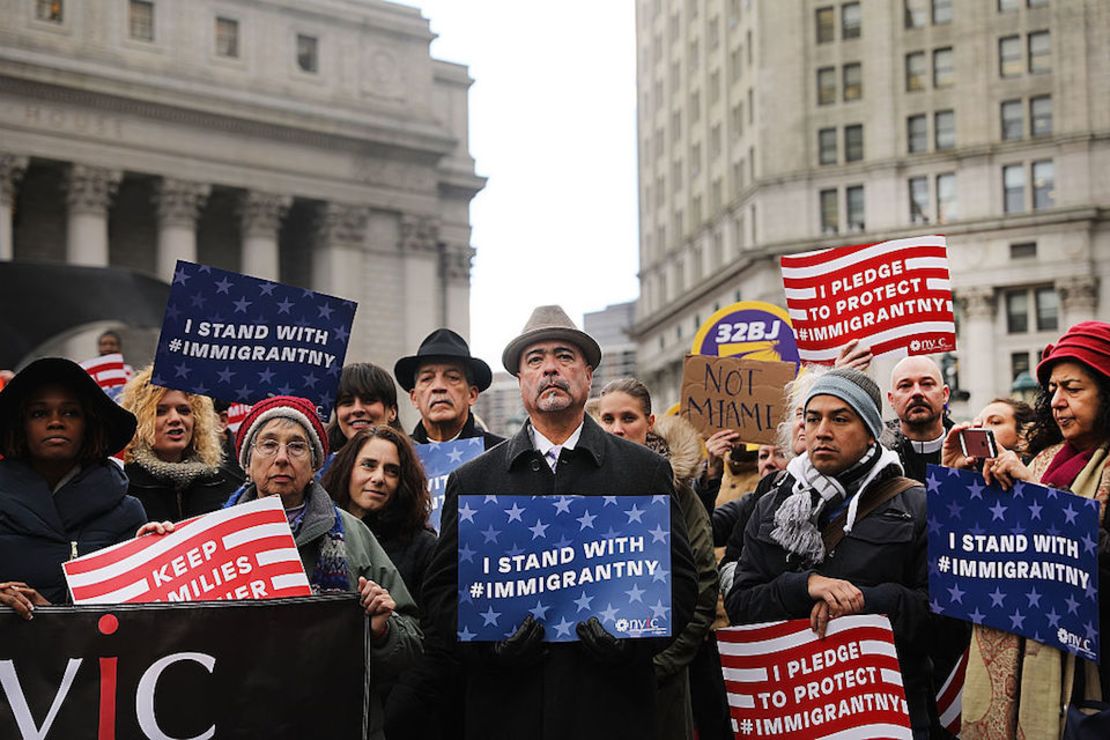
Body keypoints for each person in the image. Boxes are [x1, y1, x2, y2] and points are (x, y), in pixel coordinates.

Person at [405, 305, 698, 740]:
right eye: (535, 360)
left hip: (611, 706)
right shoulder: (474, 480)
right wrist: (489, 647)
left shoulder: (644, 471)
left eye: (564, 356)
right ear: (521, 379)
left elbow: (681, 581)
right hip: (508, 707)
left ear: (588, 374)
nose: (550, 369)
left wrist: (633, 645)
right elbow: (442, 593)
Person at [726, 367, 939, 736]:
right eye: (812, 418)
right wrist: (803, 586)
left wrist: (864, 603)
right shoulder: (772, 504)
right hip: (792, 712)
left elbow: (940, 620)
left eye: (840, 419)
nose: (821, 431)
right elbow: (741, 605)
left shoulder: (916, 503)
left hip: (885, 714)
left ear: (872, 433)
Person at [223, 395, 423, 740]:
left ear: (315, 463)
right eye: (269, 444)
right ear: (247, 460)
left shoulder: (354, 535)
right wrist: (157, 548)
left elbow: (412, 643)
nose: (282, 458)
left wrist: (381, 630)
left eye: (297, 447)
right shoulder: (213, 539)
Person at [946, 322, 1110, 739]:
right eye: (1053, 389)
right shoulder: (1042, 458)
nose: (1057, 402)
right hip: (1013, 660)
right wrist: (958, 485)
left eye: (1073, 389)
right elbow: (978, 558)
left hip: (1088, 674)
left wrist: (1038, 497)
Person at [597, 378, 725, 740]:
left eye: (628, 418)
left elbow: (702, 585)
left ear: (649, 423)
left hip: (660, 680)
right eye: (608, 419)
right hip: (595, 683)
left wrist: (659, 664)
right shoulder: (580, 491)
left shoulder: (678, 491)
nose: (618, 429)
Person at [0, 357, 146, 617]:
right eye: (39, 413)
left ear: (89, 425)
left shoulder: (127, 514)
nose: (55, 422)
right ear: (20, 427)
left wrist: (160, 550)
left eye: (70, 412)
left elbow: (133, 621)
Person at [321, 425, 437, 606]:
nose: (379, 478)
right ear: (347, 469)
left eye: (392, 471)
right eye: (368, 465)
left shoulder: (423, 548)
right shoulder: (317, 531)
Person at [118, 367, 239, 522]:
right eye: (160, 411)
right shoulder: (122, 486)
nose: (175, 418)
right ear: (138, 420)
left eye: (184, 410)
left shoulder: (225, 482)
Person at [394, 328, 504, 449]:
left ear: (472, 395)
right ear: (414, 398)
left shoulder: (501, 454)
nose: (438, 387)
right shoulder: (398, 455)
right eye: (427, 379)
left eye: (452, 377)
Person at [882, 355, 953, 483]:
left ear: (945, 394)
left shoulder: (972, 453)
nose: (917, 393)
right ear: (891, 399)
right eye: (905, 386)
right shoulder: (876, 456)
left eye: (927, 384)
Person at [322, 362, 404, 473]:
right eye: (347, 402)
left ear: (392, 412)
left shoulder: (423, 463)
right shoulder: (316, 469)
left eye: (369, 401)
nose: (357, 409)